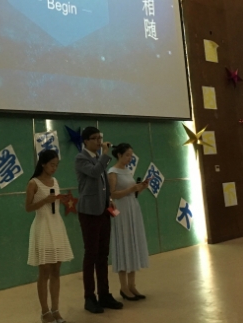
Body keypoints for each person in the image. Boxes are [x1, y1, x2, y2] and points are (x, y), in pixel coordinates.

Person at [75, 126, 124, 314]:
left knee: (103, 254)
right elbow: (95, 173)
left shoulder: (98, 158)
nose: (99, 141)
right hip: (89, 212)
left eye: (100, 137)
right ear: (86, 141)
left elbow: (103, 183)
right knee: (91, 254)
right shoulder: (81, 158)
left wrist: (109, 200)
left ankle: (104, 294)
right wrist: (104, 154)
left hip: (103, 210)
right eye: (95, 138)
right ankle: (89, 297)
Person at [26, 150, 74, 323]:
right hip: (42, 227)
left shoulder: (55, 181)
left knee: (56, 270)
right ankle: (45, 311)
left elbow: (57, 202)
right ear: (43, 164)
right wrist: (44, 201)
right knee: (44, 270)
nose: (54, 168)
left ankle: (56, 309)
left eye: (56, 165)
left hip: (56, 226)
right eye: (52, 164)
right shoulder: (33, 183)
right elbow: (28, 207)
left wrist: (63, 200)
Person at [108, 143, 150, 301]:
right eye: (127, 155)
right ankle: (123, 287)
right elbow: (112, 194)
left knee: (132, 244)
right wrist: (131, 189)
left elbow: (132, 192)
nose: (129, 158)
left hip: (132, 207)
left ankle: (132, 285)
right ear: (119, 155)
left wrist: (141, 187)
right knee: (123, 244)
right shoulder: (112, 172)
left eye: (131, 155)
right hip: (121, 210)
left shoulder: (127, 171)